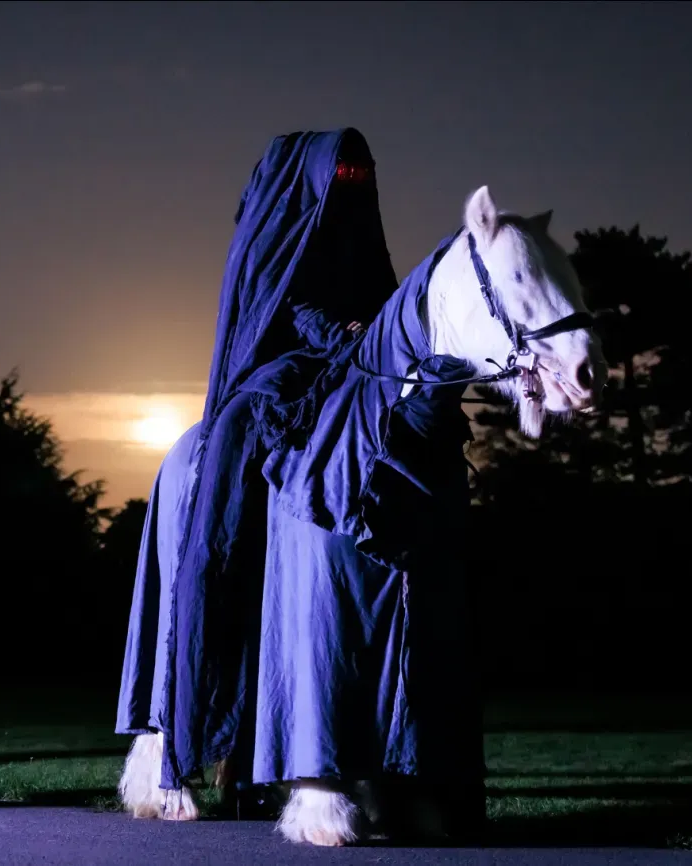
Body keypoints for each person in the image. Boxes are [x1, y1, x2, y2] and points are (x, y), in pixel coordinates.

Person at [160, 128, 400, 792]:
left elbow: (382, 295)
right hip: (282, 371)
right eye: (344, 176)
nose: (354, 189)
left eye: (362, 177)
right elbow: (282, 304)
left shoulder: (361, 235)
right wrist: (340, 333)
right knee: (227, 485)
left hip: (356, 365)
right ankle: (199, 713)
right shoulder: (277, 236)